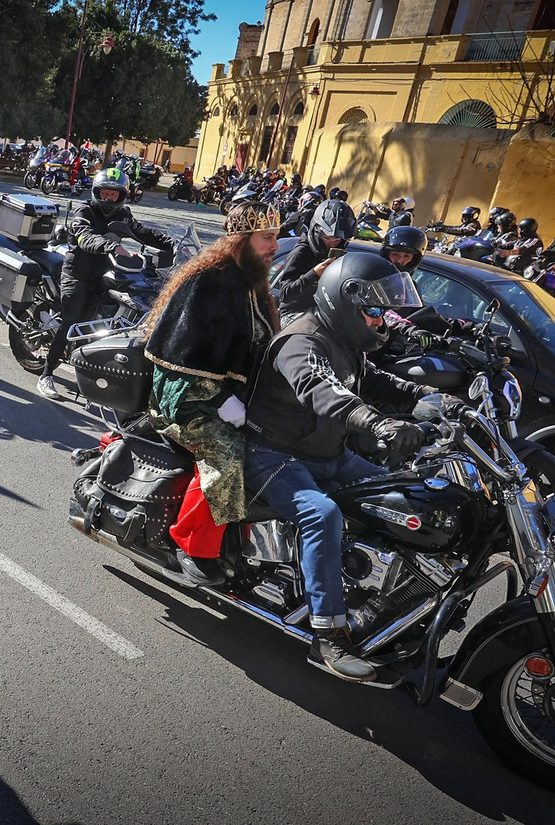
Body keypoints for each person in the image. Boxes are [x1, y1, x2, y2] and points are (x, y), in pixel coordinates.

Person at [244, 254, 436, 681]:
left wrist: (434, 401)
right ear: (341, 301)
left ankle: (394, 606)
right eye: (372, 309)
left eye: (383, 310)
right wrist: (378, 423)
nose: (380, 319)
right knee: (321, 514)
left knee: (409, 494)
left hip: (328, 454)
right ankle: (328, 633)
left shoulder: (347, 344)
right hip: (274, 454)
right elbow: (320, 389)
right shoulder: (301, 341)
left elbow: (380, 384)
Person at [144, 202, 282, 585]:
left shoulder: (253, 282)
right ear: (241, 240)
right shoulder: (208, 280)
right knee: (227, 451)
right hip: (184, 398)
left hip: (235, 399)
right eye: (266, 238)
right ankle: (192, 546)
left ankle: (240, 539)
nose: (275, 246)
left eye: (276, 237)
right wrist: (221, 400)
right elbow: (175, 357)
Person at [36, 167, 173, 399]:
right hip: (78, 272)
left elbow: (143, 233)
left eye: (114, 195)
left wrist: (172, 245)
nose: (108, 199)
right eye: (105, 194)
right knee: (72, 320)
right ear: (96, 192)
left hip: (108, 271)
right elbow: (84, 236)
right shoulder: (84, 211)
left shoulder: (124, 215)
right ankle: (46, 375)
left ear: (121, 197)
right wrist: (111, 246)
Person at [272, 199, 354, 323]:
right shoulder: (300, 254)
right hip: (293, 314)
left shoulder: (338, 255)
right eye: (327, 238)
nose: (332, 243)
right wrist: (314, 273)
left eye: (337, 239)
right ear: (317, 232)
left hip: (322, 313)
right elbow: (285, 294)